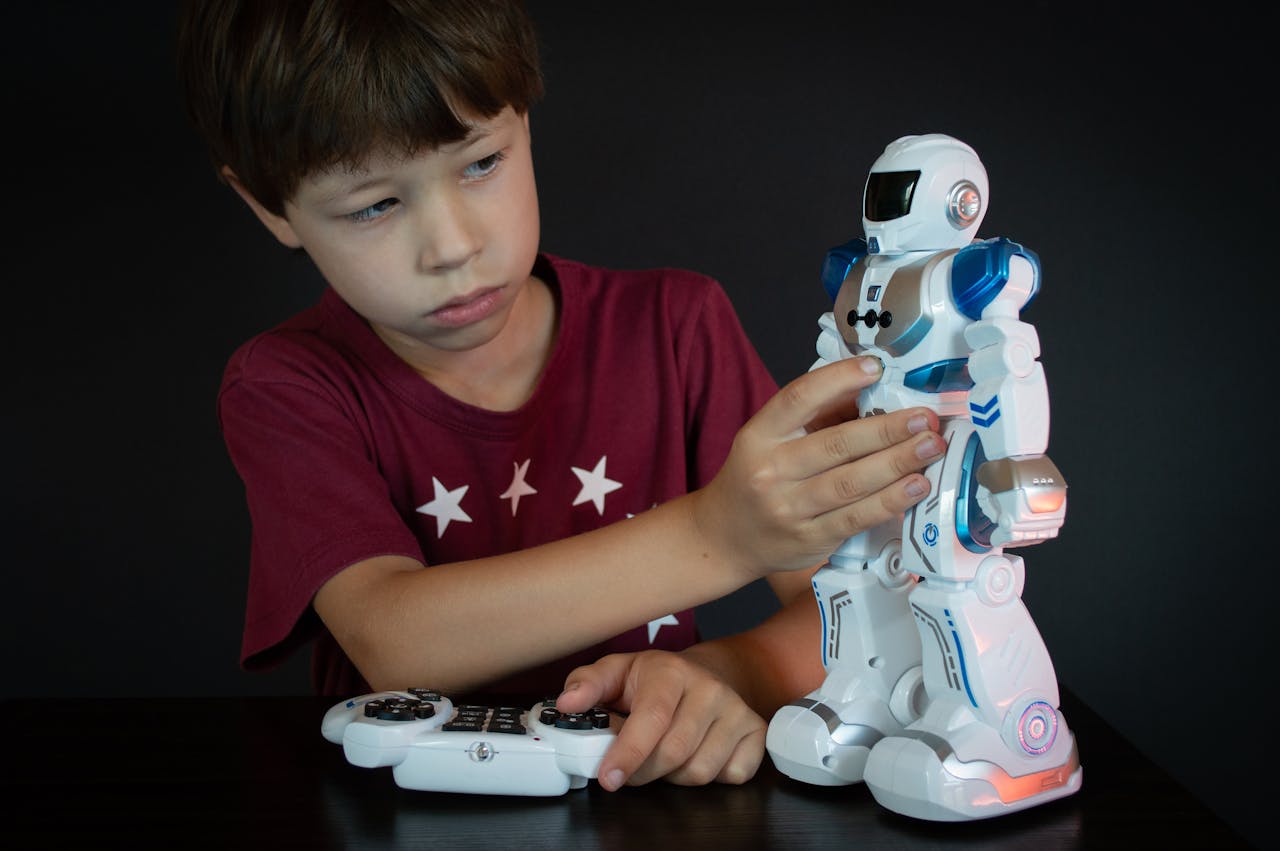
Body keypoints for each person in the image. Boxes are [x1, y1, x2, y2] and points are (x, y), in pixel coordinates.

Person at [175, 0, 945, 792]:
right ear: (269, 206)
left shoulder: (675, 326)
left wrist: (727, 672)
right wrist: (722, 535)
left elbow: (859, 611)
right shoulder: (288, 384)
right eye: (375, 204)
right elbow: (395, 640)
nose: (453, 246)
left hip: (648, 804)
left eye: (480, 163)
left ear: (525, 124)